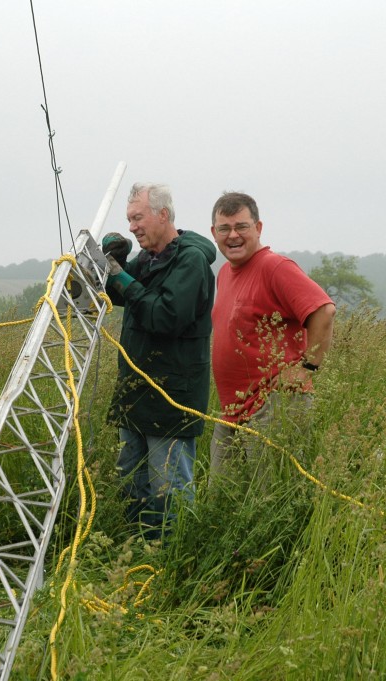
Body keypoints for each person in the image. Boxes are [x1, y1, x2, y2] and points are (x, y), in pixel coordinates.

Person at [101, 182, 216, 540]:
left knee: (169, 487)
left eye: (138, 218)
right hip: (136, 390)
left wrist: (121, 276)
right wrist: (113, 266)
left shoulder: (190, 260)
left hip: (171, 394)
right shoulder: (149, 257)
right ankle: (136, 555)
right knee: (131, 481)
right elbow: (123, 296)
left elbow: (165, 316)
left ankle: (172, 562)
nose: (133, 227)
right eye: (129, 220)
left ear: (162, 215)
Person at [208, 191, 335, 484]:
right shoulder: (225, 272)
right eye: (224, 228)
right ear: (214, 233)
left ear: (258, 228)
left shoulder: (275, 267)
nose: (233, 235)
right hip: (232, 411)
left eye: (241, 226)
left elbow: (324, 311)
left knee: (268, 501)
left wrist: (308, 367)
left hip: (273, 406)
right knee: (220, 501)